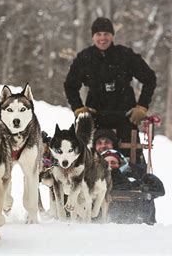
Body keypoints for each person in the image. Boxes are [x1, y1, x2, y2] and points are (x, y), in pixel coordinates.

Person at [64, 17, 157, 179]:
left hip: (126, 115)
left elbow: (149, 78)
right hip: (95, 116)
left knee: (132, 155)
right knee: (88, 153)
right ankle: (85, 182)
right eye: (98, 34)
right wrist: (78, 108)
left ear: (112, 35)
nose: (102, 38)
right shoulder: (85, 58)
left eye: (106, 33)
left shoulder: (125, 55)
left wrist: (142, 107)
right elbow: (70, 85)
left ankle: (136, 186)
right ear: (93, 37)